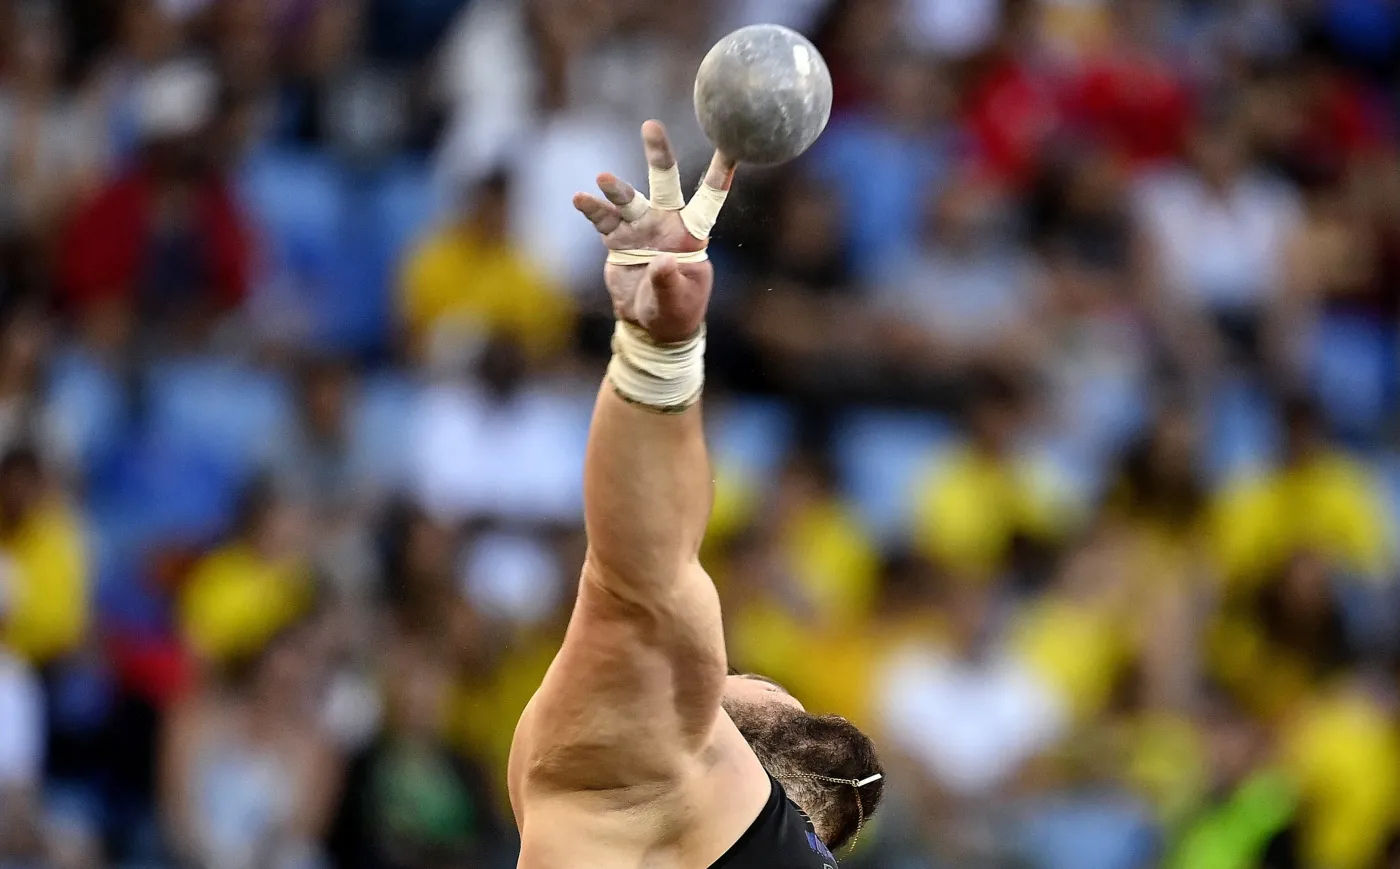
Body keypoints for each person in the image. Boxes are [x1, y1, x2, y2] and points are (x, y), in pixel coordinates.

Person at [507, 121, 885, 868]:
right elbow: (644, 575)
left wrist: (664, 350)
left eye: (759, 682)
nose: (743, 675)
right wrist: (657, 351)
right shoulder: (656, 762)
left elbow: (652, 575)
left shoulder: (712, 779)